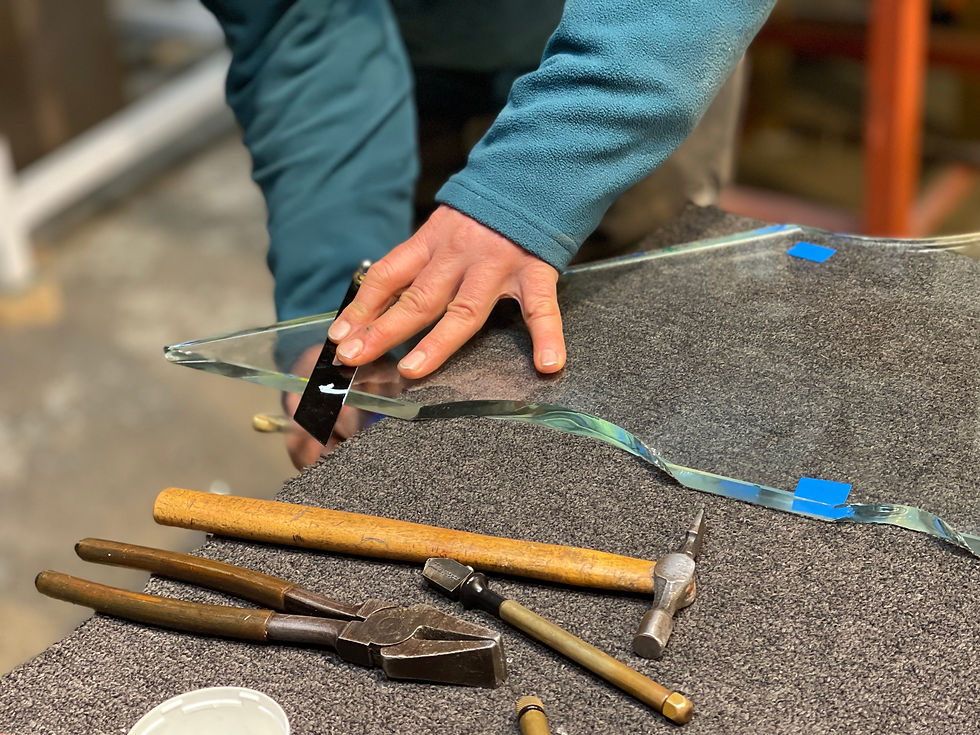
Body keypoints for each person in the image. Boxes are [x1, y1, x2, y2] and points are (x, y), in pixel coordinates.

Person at [202, 0, 775, 467]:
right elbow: (302, 22)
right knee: (428, 433)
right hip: (409, 65)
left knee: (642, 403)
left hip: (642, 51)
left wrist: (522, 197)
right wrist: (334, 317)